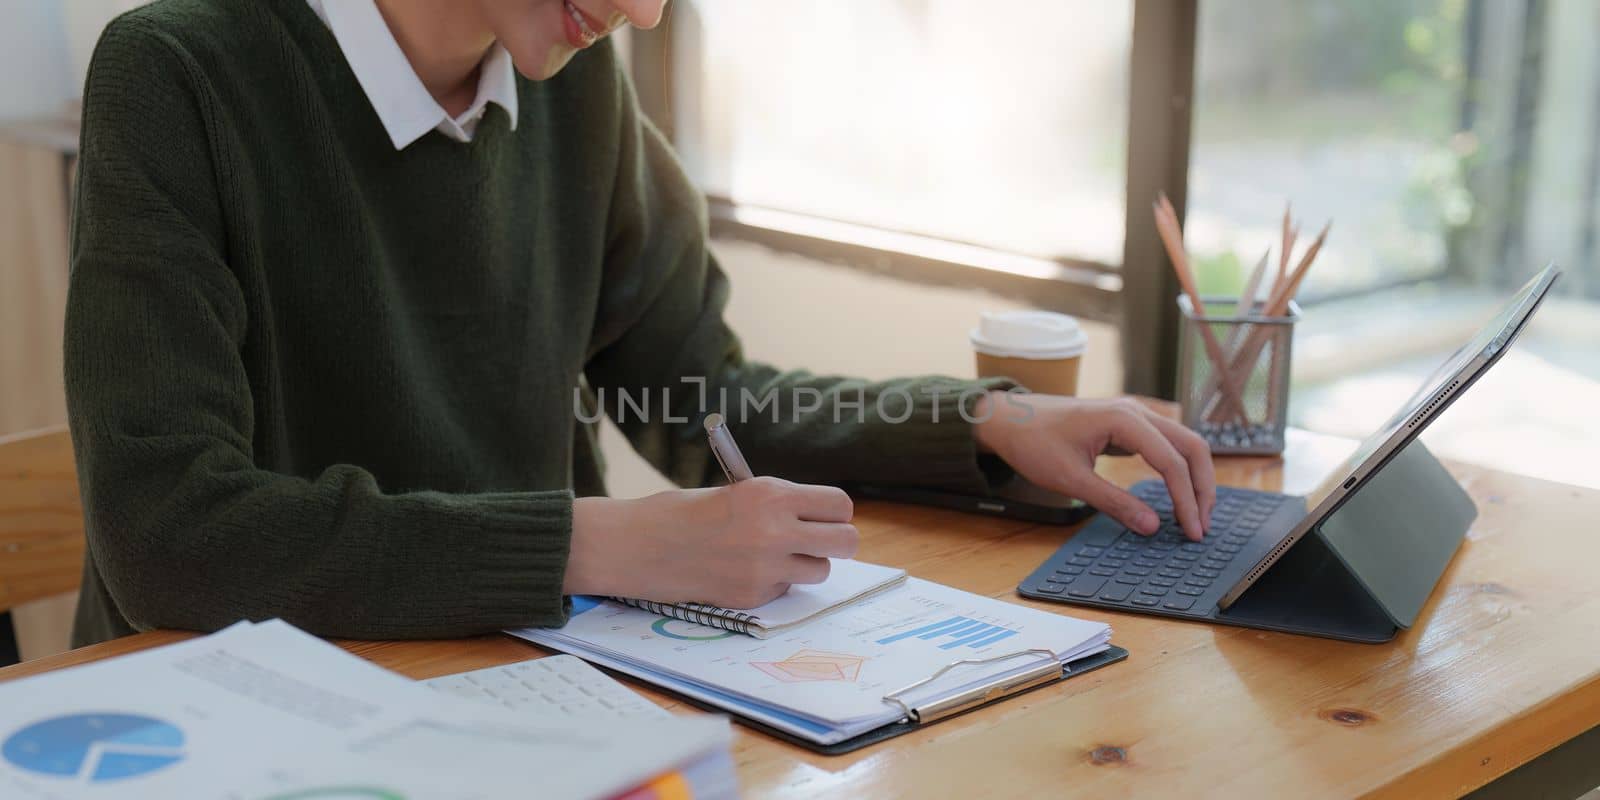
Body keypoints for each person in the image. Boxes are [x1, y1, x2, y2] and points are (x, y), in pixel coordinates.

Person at [63, 0, 1215, 647]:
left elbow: (702, 399)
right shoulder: (175, 75)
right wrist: (593, 543)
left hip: (503, 685)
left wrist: (984, 420)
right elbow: (168, 529)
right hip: (227, 713)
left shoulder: (575, 82)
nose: (643, 11)